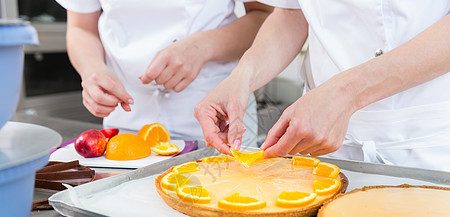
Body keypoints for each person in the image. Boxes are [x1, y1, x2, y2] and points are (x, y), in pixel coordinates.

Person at [194, 1, 450, 171]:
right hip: (319, 150)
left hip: (424, 148)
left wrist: (346, 93)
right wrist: (243, 76)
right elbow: (292, 12)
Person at [55, 0, 273, 146]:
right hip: (126, 124)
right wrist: (92, 69)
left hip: (217, 121)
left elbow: (265, 17)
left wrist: (202, 48)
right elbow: (81, 27)